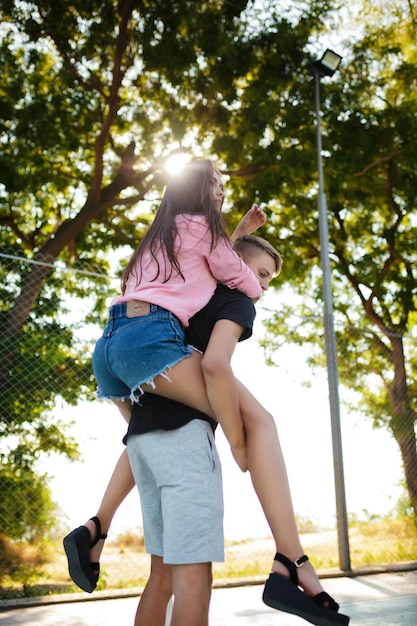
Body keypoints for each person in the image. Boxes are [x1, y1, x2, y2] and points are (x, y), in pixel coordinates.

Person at [64, 229, 349, 625]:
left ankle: (97, 526)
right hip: (184, 444)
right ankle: (292, 559)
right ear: (238, 267)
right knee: (260, 424)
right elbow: (216, 364)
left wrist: (238, 236)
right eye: (263, 274)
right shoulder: (236, 301)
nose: (263, 287)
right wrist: (236, 442)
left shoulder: (188, 294)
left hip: (142, 443)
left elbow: (211, 254)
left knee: (160, 578)